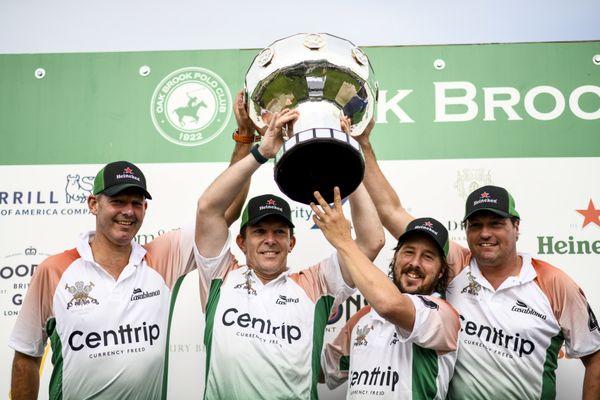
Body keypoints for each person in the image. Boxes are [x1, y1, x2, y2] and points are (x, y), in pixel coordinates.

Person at [9, 91, 256, 400]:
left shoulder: (161, 256)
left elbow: (220, 214)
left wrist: (244, 139)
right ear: (93, 204)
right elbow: (26, 357)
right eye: (118, 201)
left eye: (136, 203)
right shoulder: (55, 269)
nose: (128, 211)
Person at [353, 120, 600, 399]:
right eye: (475, 225)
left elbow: (595, 357)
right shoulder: (456, 263)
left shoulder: (553, 283)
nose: (485, 234)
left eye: (495, 224)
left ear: (515, 227)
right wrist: (363, 145)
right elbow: (390, 211)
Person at [194, 109, 385, 399]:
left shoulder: (314, 285)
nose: (270, 240)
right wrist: (262, 152)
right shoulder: (220, 275)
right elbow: (208, 207)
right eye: (259, 231)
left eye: (279, 232)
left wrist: (349, 160)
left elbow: (371, 241)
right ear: (242, 242)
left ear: (292, 242)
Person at [312, 188, 460, 399]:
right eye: (408, 252)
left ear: (441, 272)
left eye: (428, 257)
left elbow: (390, 305)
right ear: (395, 258)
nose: (415, 263)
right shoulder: (362, 318)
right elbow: (323, 371)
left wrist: (344, 241)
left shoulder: (444, 315)